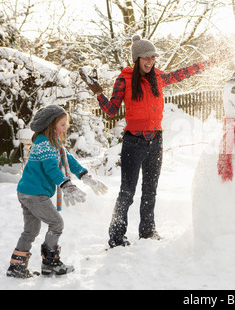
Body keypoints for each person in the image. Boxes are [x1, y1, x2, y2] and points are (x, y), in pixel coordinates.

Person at [79, 35, 217, 248]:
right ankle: (116, 237)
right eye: (146, 57)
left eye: (153, 57)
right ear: (137, 59)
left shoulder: (158, 78)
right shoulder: (123, 80)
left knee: (150, 190)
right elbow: (111, 110)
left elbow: (181, 74)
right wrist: (98, 93)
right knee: (127, 192)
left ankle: (147, 231)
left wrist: (208, 62)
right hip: (133, 143)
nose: (150, 61)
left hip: (156, 141)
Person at [6, 105, 108, 278]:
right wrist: (66, 185)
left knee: (31, 231)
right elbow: (51, 169)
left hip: (27, 192)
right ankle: (50, 263)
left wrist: (86, 177)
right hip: (34, 194)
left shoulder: (54, 144)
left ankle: (17, 266)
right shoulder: (43, 144)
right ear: (51, 124)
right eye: (62, 124)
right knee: (56, 224)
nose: (65, 128)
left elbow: (69, 160)